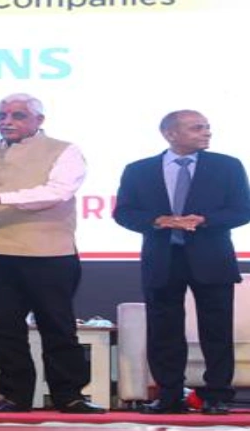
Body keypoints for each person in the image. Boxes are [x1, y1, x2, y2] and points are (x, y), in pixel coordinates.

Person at [0, 93, 105, 414]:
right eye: (2, 115)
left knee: (57, 327)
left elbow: (57, 192)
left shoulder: (64, 150)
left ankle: (70, 396)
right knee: (4, 330)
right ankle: (15, 396)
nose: (7, 121)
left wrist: (1, 197)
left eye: (18, 115)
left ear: (39, 120)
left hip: (47, 254)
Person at [114, 110, 250, 415]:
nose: (206, 132)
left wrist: (204, 220)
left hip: (211, 258)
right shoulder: (139, 170)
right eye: (197, 128)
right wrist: (157, 220)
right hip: (162, 259)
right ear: (170, 134)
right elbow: (124, 212)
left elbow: (243, 210)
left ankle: (217, 396)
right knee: (164, 331)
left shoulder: (227, 165)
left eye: (207, 127)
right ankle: (169, 395)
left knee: (216, 330)